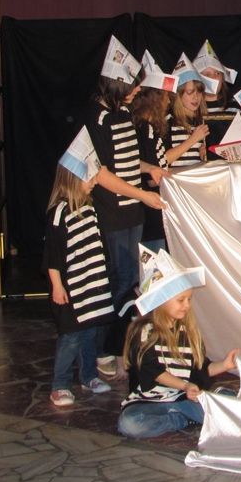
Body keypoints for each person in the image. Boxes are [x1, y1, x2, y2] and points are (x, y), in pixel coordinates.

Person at [85, 36, 167, 376]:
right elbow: (101, 173)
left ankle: (122, 344)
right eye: (133, 85)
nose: (138, 91)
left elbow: (129, 160)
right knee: (117, 282)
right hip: (114, 213)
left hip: (133, 210)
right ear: (117, 83)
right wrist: (143, 195)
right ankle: (104, 349)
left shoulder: (122, 114)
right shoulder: (98, 117)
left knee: (132, 280)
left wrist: (151, 170)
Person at [117, 246, 240, 439]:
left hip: (183, 399)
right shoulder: (144, 331)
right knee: (130, 424)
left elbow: (200, 369)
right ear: (162, 300)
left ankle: (189, 413)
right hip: (150, 402)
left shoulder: (188, 331)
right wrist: (184, 386)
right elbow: (153, 371)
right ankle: (180, 420)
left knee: (228, 410)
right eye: (181, 300)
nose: (187, 305)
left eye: (189, 300)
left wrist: (224, 365)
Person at [44, 127, 113, 406]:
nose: (94, 182)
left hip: (91, 286)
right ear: (74, 178)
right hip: (71, 289)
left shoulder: (89, 208)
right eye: (90, 178)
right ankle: (60, 384)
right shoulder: (59, 213)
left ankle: (88, 376)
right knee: (70, 337)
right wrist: (57, 286)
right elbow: (53, 255)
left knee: (89, 333)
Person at [131, 50, 179, 253]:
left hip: (155, 209)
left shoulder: (152, 127)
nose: (168, 102)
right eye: (166, 97)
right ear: (154, 98)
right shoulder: (142, 128)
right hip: (148, 211)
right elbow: (151, 177)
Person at [168, 51, 212, 167]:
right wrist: (193, 139)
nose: (195, 97)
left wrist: (206, 155)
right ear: (178, 94)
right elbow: (163, 160)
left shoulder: (204, 120)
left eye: (199, 92)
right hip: (175, 178)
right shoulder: (168, 120)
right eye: (190, 92)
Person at [193, 39, 240, 114]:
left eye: (217, 73)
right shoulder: (191, 107)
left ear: (222, 78)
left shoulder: (235, 107)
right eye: (207, 74)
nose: (213, 78)